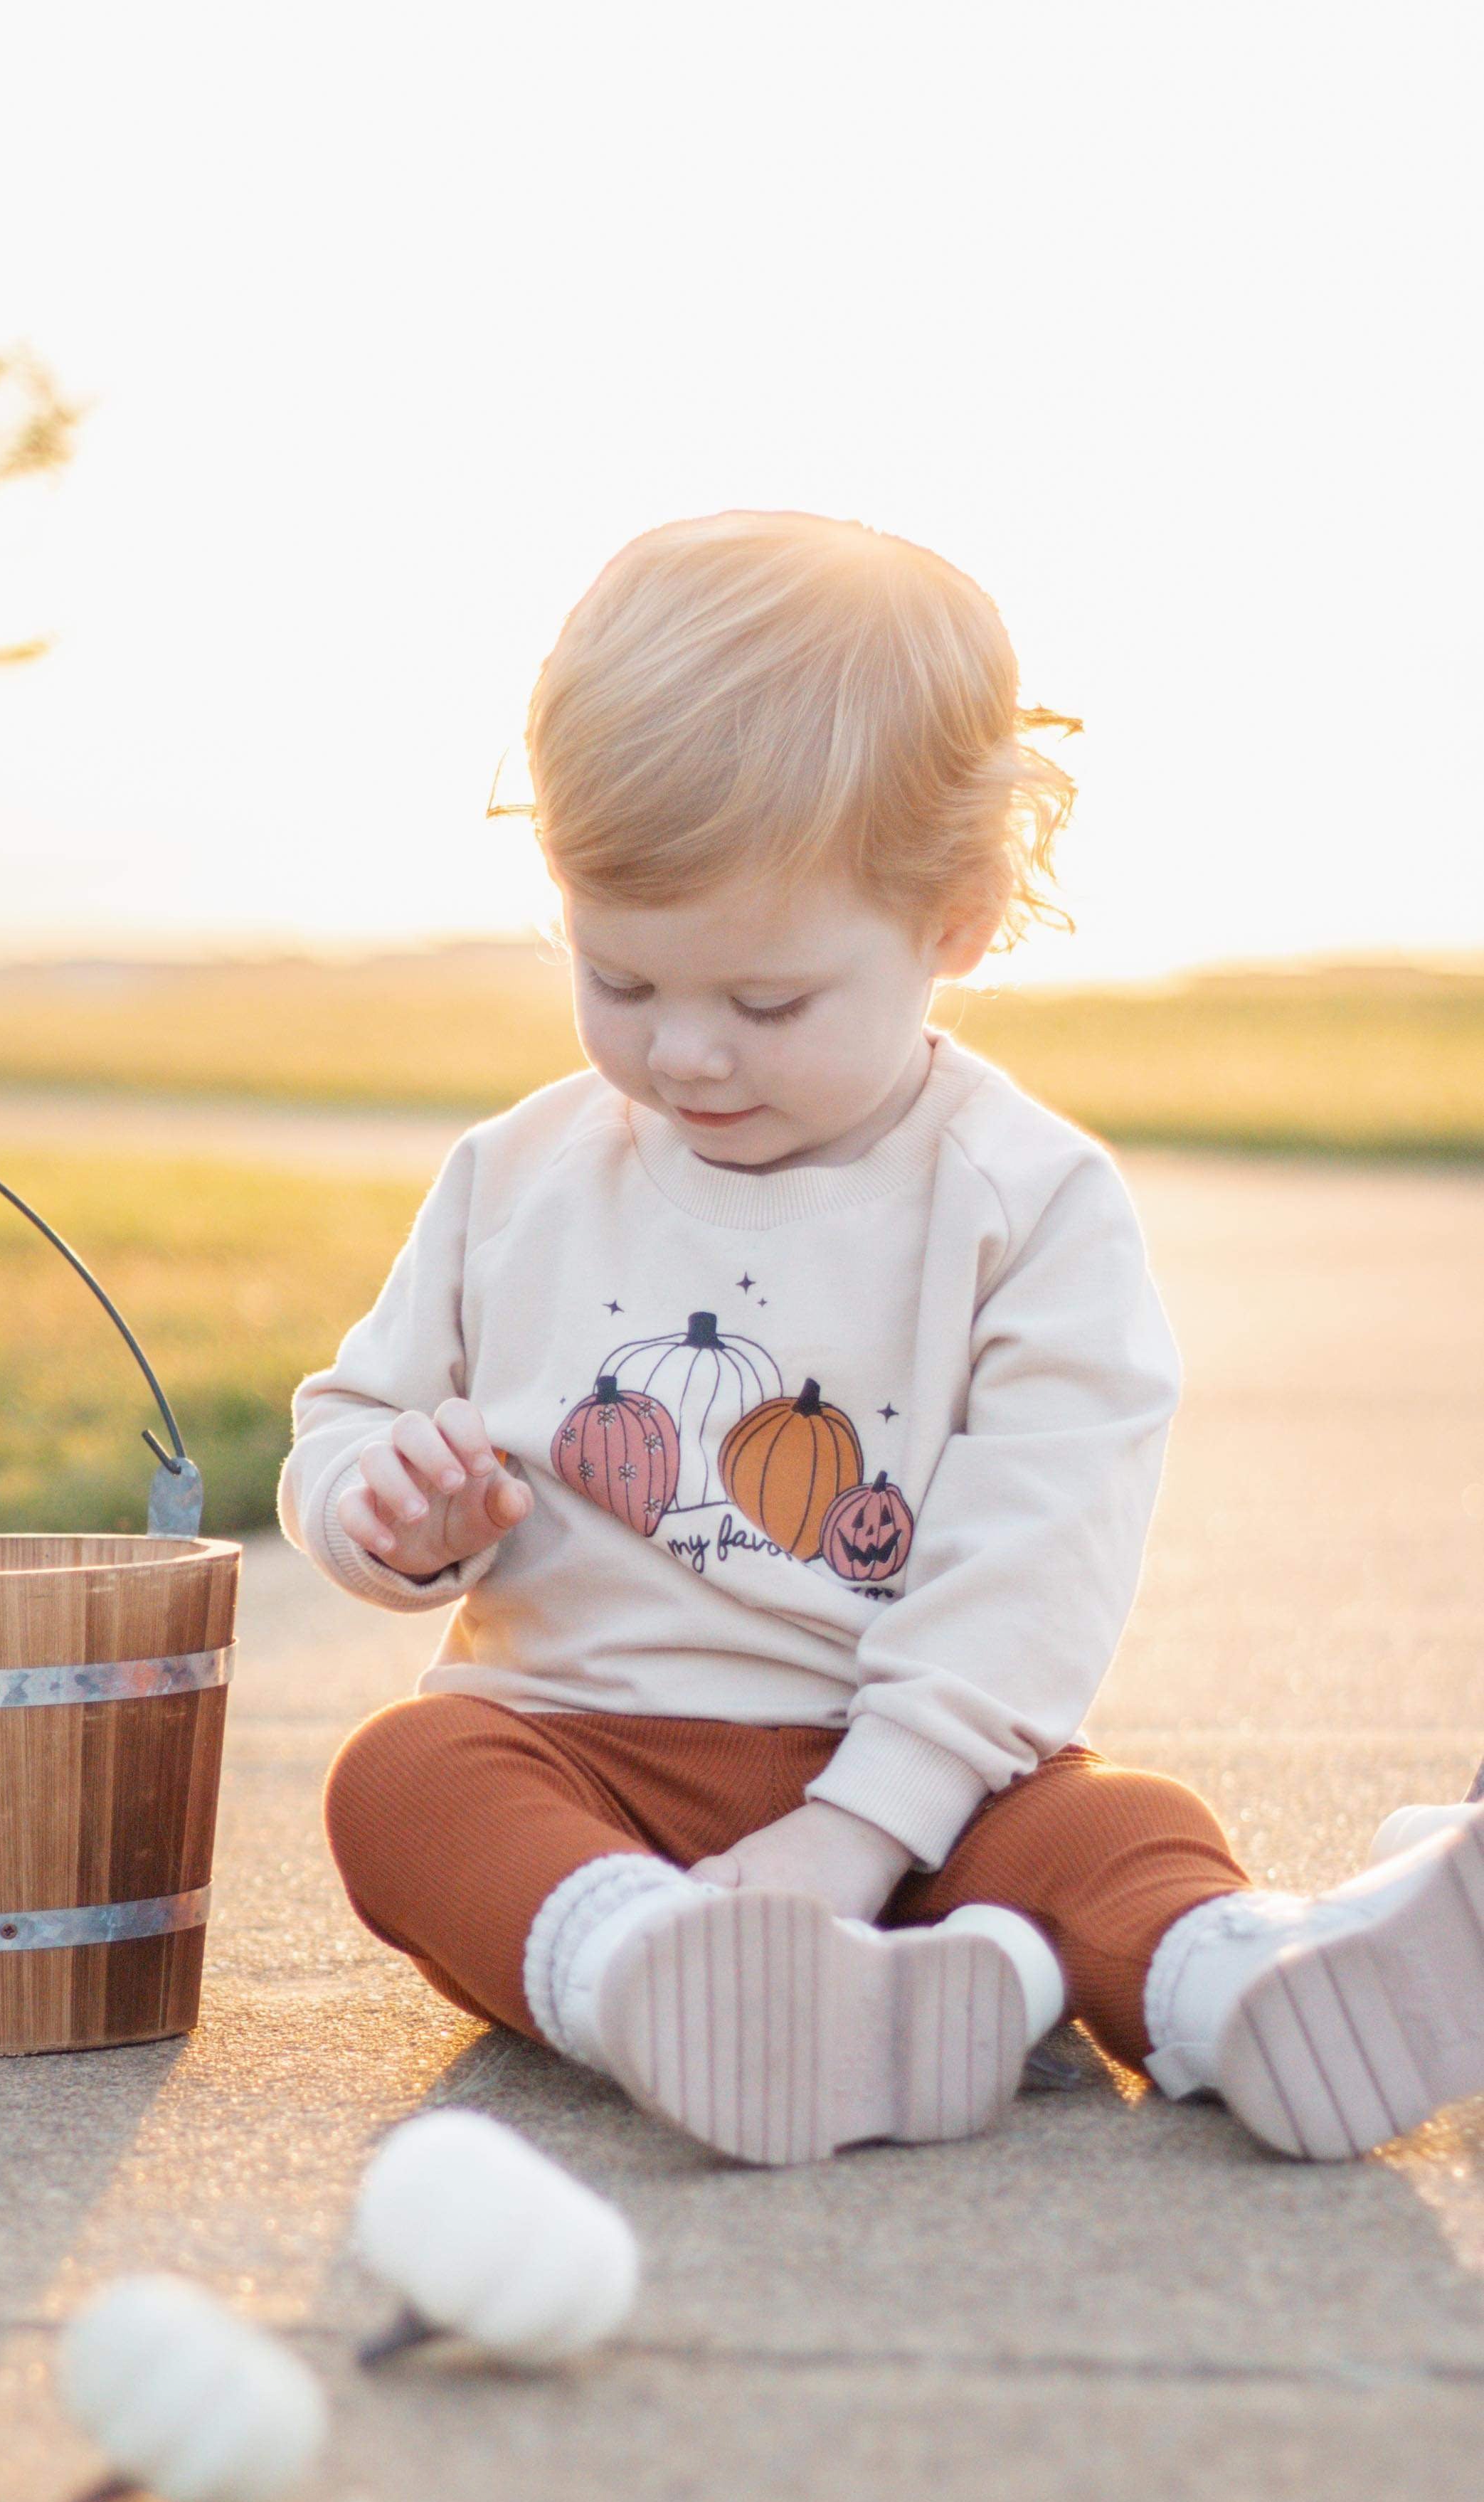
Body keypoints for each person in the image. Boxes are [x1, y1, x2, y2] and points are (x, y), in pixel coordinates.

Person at [278, 509, 1484, 2168]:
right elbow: (351, 1415)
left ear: (961, 918)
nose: (686, 1051)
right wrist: (380, 1510)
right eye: (620, 978)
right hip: (586, 1758)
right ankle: (657, 1971)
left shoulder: (1022, 1201)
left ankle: (1245, 1984)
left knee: (1108, 1828)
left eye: (765, 1002)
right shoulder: (517, 1177)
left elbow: (1034, 1558)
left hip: (926, 1782)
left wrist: (860, 1825)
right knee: (404, 1781)